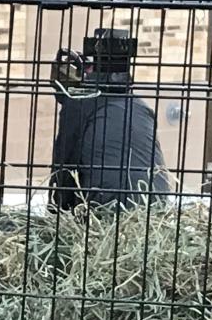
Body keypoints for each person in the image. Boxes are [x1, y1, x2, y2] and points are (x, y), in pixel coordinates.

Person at [49, 30, 170, 211]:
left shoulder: (79, 105)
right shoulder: (141, 106)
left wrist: (55, 219)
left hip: (106, 212)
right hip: (153, 212)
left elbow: (63, 173)